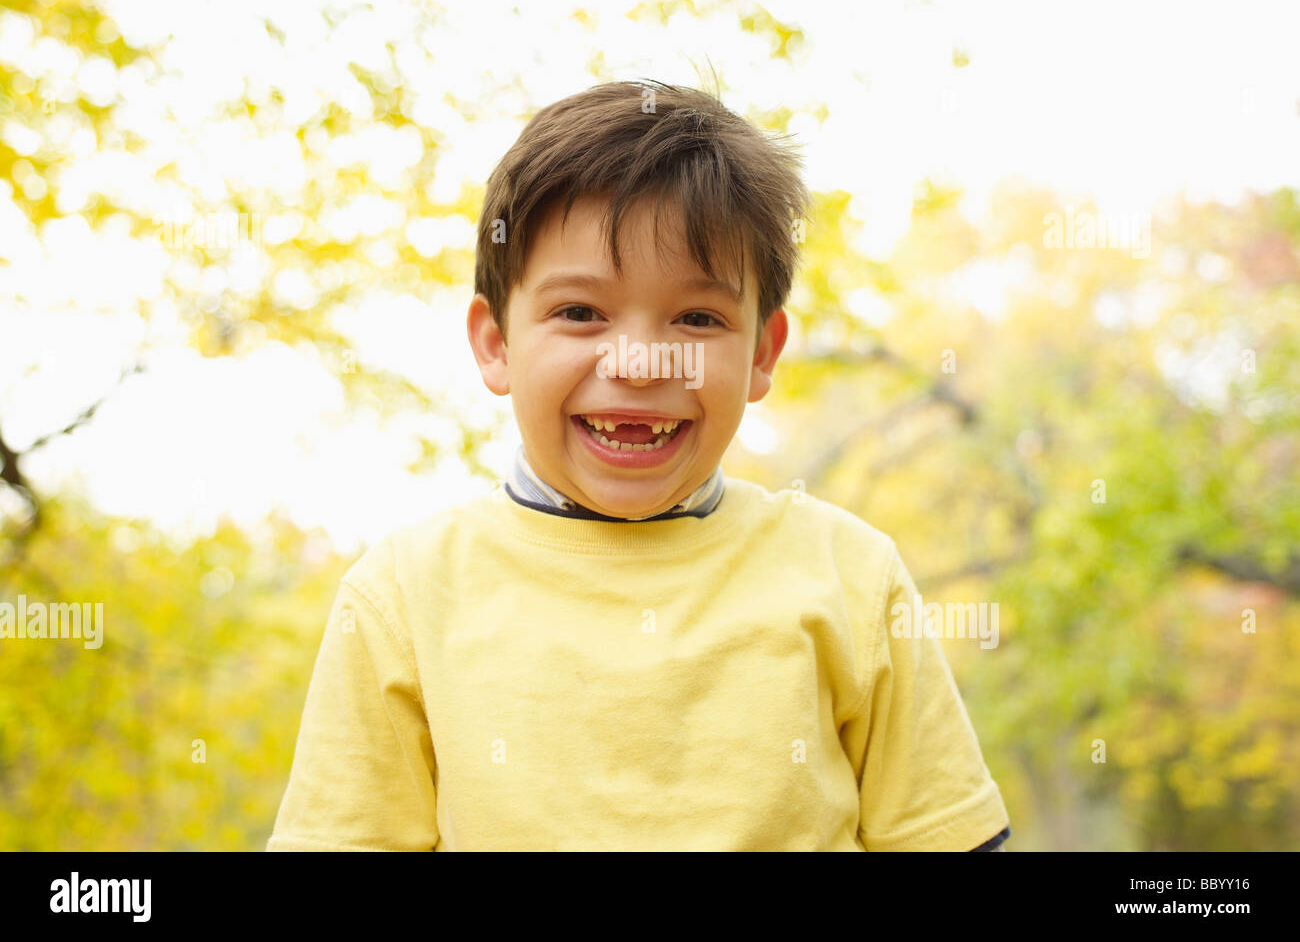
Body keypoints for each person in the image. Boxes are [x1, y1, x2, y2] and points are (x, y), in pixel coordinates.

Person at [266, 80, 1011, 852]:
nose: (639, 360)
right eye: (580, 313)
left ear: (761, 352)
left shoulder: (851, 577)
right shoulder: (403, 597)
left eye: (696, 318)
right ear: (496, 343)